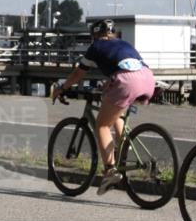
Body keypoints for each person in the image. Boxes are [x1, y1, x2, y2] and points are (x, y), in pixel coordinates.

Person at [51, 20, 156, 195]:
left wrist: (63, 88)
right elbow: (125, 66)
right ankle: (123, 146)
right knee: (116, 110)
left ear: (95, 35)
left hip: (127, 82)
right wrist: (107, 84)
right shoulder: (123, 44)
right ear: (113, 33)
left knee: (102, 125)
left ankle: (110, 171)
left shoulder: (96, 47)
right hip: (147, 78)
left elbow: (79, 73)